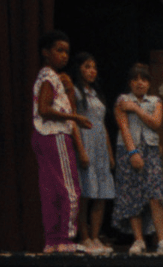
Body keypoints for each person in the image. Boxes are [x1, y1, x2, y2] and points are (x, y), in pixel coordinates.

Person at [32, 30, 92, 253]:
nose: (64, 56)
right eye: (59, 50)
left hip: (44, 137)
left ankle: (53, 241)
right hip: (55, 136)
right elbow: (44, 109)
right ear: (46, 53)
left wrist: (67, 90)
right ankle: (66, 239)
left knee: (52, 190)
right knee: (70, 189)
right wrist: (74, 118)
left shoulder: (49, 77)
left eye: (67, 51)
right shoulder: (49, 76)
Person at [112, 63, 163, 254]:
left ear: (148, 83)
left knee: (156, 193)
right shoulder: (122, 100)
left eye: (144, 79)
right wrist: (132, 153)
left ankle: (162, 239)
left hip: (151, 150)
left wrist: (137, 109)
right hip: (128, 150)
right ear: (130, 82)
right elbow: (123, 126)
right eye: (136, 79)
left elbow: (156, 123)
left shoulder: (155, 101)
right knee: (132, 193)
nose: (140, 83)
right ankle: (138, 239)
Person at [69, 52, 115, 254]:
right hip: (85, 142)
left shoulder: (96, 94)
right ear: (78, 68)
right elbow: (72, 122)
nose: (92, 71)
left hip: (100, 147)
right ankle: (84, 237)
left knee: (101, 193)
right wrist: (80, 150)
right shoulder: (75, 92)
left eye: (94, 67)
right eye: (87, 66)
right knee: (86, 193)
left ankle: (96, 236)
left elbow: (102, 124)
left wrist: (110, 153)